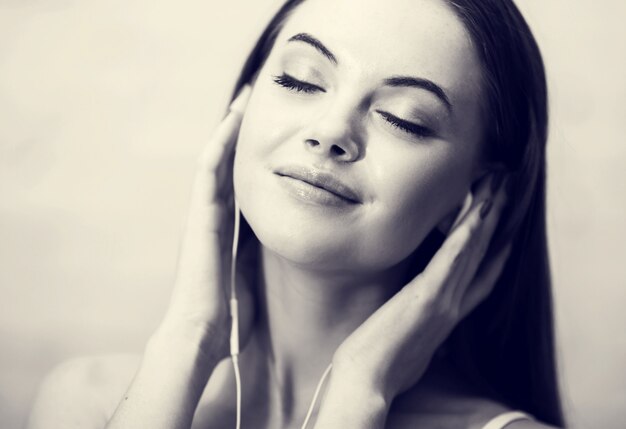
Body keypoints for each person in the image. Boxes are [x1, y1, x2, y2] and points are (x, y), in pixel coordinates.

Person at [27, 0, 566, 428]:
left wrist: (359, 394)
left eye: (404, 120)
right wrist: (188, 338)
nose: (330, 132)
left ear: (475, 198)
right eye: (300, 81)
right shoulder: (85, 405)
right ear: (243, 108)